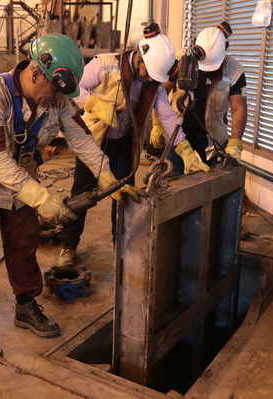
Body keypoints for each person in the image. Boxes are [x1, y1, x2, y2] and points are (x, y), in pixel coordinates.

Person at [0, 34, 142, 338]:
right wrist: (42, 198)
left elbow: (82, 140)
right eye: (53, 89)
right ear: (36, 73)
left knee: (24, 241)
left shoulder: (59, 100)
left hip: (19, 179)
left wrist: (108, 177)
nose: (56, 98)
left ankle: (25, 305)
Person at [57, 23, 210, 267]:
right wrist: (95, 104)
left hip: (124, 142)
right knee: (82, 194)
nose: (150, 79)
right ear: (139, 55)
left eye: (154, 77)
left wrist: (184, 149)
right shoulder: (104, 64)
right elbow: (72, 88)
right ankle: (68, 245)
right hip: (93, 140)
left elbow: (167, 115)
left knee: (124, 197)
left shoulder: (153, 80)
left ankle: (122, 246)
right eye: (148, 73)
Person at [158, 22, 247, 165]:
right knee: (174, 180)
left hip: (213, 139)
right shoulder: (181, 61)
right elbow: (161, 92)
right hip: (179, 135)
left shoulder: (234, 71)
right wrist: (157, 123)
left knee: (210, 182)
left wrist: (235, 143)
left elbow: (239, 108)